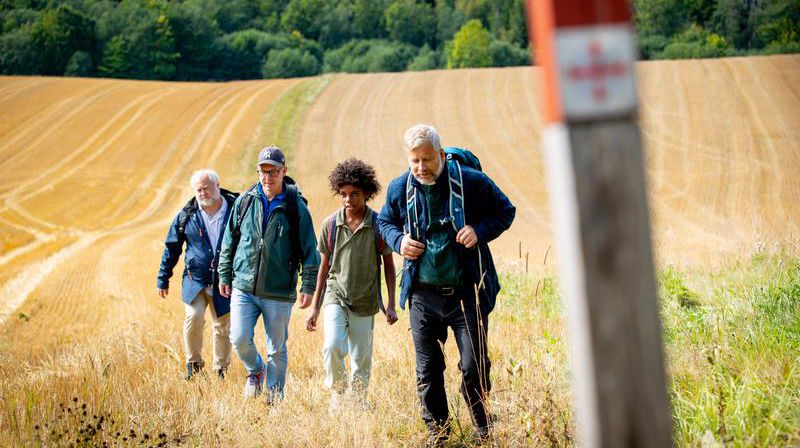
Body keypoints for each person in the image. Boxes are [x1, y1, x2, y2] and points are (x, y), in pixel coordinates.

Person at [376, 124, 515, 443]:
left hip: (466, 293)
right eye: (414, 161)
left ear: (440, 155)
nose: (421, 168)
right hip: (423, 296)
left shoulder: (471, 182)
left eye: (427, 159)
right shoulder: (400, 187)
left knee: (473, 366)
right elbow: (384, 221)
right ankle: (438, 435)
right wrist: (399, 241)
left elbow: (505, 211)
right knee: (428, 372)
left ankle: (484, 428)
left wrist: (479, 230)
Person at [218, 146, 319, 401]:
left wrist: (307, 286)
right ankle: (255, 371)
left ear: (284, 171)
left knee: (276, 349)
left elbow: (310, 250)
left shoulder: (296, 208)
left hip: (279, 290)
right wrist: (224, 274)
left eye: (273, 171)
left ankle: (275, 397)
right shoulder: (245, 201)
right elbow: (229, 240)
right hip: (244, 286)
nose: (267, 177)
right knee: (238, 338)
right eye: (263, 171)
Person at [305, 158, 398, 412]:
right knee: (332, 345)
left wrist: (390, 304)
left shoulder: (379, 225)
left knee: (361, 358)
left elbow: (389, 267)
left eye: (354, 194)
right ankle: (337, 392)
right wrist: (314, 308)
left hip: (366, 299)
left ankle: (358, 402)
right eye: (344, 194)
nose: (348, 200)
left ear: (367, 193)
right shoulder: (330, 225)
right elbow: (323, 268)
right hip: (336, 295)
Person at [157, 169, 238, 380]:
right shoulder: (187, 216)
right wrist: (163, 277)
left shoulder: (236, 210)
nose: (202, 193)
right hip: (196, 281)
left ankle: (221, 369)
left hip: (225, 281)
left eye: (206, 188)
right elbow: (171, 247)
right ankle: (193, 365)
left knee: (223, 326)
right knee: (193, 317)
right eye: (198, 190)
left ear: (217, 186)